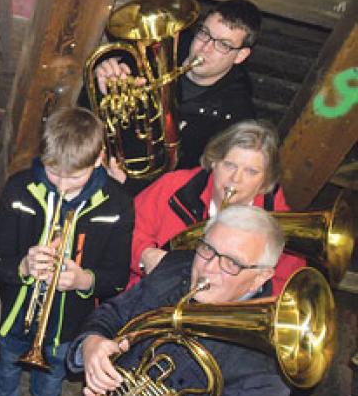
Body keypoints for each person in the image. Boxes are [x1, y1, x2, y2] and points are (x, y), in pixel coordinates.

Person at [40, 205, 293, 396]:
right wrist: (93, 341)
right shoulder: (177, 266)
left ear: (261, 278)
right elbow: (114, 312)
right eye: (207, 249)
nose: (208, 267)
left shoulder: (269, 365)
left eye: (232, 263)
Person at [0, 108, 134, 396]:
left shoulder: (117, 204)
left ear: (98, 160)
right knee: (7, 364)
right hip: (15, 312)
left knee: (53, 377)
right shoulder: (19, 189)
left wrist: (83, 280)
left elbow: (118, 278)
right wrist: (24, 266)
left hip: (69, 324)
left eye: (73, 177)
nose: (60, 186)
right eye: (52, 172)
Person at [94, 0, 261, 190]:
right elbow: (90, 111)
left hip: (144, 198)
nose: (205, 48)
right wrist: (103, 80)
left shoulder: (236, 115)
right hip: (94, 163)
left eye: (223, 45)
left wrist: (130, 185)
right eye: (204, 33)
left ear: (240, 55)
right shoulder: (155, 51)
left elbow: (200, 185)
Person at [130, 120, 304, 294]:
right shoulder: (174, 186)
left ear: (265, 181)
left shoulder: (279, 221)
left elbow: (288, 284)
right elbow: (127, 229)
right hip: (152, 293)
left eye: (251, 172)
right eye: (229, 165)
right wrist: (145, 255)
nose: (236, 178)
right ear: (213, 161)